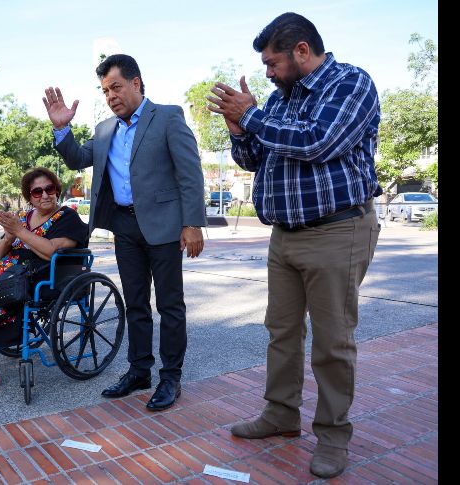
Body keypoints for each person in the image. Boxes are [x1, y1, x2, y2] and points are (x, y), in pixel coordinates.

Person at [206, 12, 382, 479]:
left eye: (272, 62)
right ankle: (281, 414)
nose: (267, 72)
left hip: (337, 230)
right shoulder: (276, 101)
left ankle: (332, 436)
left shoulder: (351, 84)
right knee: (281, 332)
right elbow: (252, 160)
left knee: (332, 343)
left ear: (301, 51)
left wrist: (252, 116)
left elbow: (317, 143)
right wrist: (238, 127)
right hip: (284, 235)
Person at [42, 54, 206, 412]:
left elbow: (190, 173)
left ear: (136, 82)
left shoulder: (167, 117)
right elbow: (76, 158)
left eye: (116, 87)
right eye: (105, 91)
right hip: (125, 227)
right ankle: (139, 370)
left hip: (163, 226)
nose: (111, 96)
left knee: (170, 304)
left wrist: (192, 223)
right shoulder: (104, 130)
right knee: (134, 302)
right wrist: (61, 129)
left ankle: (171, 376)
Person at [0, 167, 88, 397]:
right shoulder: (24, 218)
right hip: (9, 272)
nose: (45, 195)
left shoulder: (67, 217)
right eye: (37, 192)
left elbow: (50, 252)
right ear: (30, 197)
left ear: (57, 190)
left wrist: (19, 231)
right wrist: (9, 235)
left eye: (49, 189)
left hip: (43, 274)